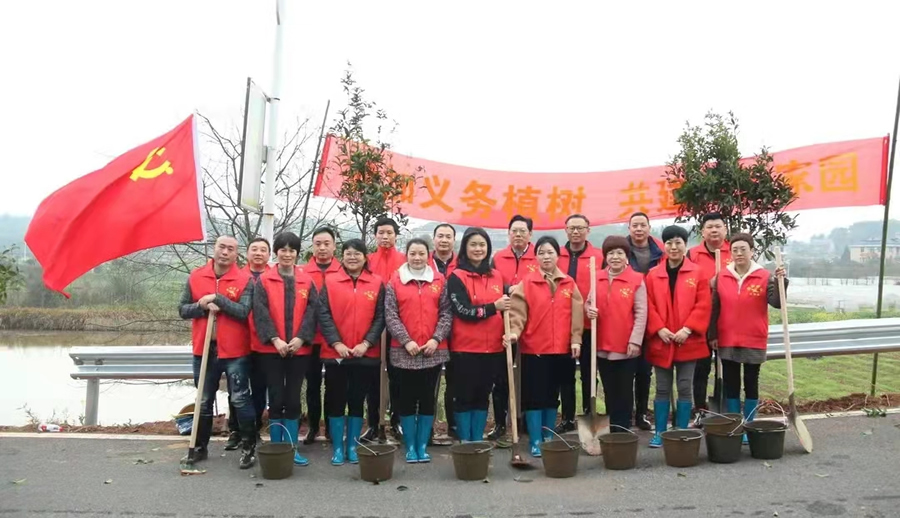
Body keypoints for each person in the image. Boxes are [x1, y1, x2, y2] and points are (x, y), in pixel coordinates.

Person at [178, 236, 257, 469]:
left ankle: (248, 447)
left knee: (240, 398)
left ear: (236, 254)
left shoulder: (245, 279)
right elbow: (182, 309)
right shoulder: (196, 276)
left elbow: (243, 311)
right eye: (221, 247)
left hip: (235, 351)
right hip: (204, 349)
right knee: (203, 400)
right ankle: (199, 447)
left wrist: (218, 299)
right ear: (214, 249)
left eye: (230, 249)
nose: (225, 252)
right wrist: (201, 306)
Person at [506, 236, 584, 457]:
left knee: (552, 395)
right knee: (534, 396)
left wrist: (576, 339)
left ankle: (548, 436)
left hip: (561, 349)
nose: (546, 256)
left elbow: (576, 314)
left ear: (558, 256)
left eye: (550, 252)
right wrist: (514, 332)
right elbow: (518, 313)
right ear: (536, 257)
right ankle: (535, 439)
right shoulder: (527, 283)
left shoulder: (569, 283)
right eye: (541, 253)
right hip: (534, 349)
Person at [708, 233, 788, 443]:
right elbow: (715, 307)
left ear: (752, 251)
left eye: (743, 249)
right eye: (735, 250)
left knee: (751, 381)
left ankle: (749, 423)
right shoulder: (722, 276)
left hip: (754, 337)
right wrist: (713, 334)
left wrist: (782, 282)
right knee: (731, 382)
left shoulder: (764, 276)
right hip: (727, 337)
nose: (739, 253)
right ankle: (736, 425)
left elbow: (777, 303)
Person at [317, 239, 386, 465]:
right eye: (348, 253)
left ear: (365, 257)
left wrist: (367, 343)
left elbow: (380, 317)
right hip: (336, 353)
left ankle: (353, 446)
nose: (353, 257)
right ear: (342, 256)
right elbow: (323, 314)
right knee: (336, 400)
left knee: (357, 400)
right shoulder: (330, 281)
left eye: (357, 254)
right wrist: (336, 343)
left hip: (365, 354)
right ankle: (338, 447)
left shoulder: (376, 283)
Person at [252, 232, 318, 466]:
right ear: (276, 252)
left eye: (292, 250)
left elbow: (313, 311)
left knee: (293, 399)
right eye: (283, 250)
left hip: (299, 351)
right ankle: (276, 446)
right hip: (272, 351)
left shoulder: (307, 281)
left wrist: (301, 338)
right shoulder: (265, 280)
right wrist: (275, 339)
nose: (287, 254)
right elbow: (260, 312)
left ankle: (292, 447)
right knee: (276, 397)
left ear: (297, 253)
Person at [385, 238, 452, 462]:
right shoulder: (395, 280)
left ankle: (422, 445)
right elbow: (391, 314)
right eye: (412, 253)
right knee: (406, 399)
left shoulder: (439, 280)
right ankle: (410, 446)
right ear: (406, 255)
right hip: (404, 351)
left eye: (421, 253)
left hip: (433, 351)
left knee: (427, 399)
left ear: (428, 255)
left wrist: (435, 339)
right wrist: (406, 340)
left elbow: (446, 313)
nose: (417, 257)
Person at [645, 225, 711, 448]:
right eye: (669, 243)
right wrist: (659, 328)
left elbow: (703, 304)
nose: (674, 247)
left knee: (684, 386)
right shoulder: (653, 274)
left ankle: (682, 431)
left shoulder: (697, 273)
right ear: (664, 246)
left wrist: (688, 329)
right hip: (662, 340)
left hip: (688, 341)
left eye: (678, 242)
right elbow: (648, 305)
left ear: (685, 245)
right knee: (662, 388)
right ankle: (660, 432)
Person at [447, 227, 510, 442]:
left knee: (483, 396)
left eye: (482, 245)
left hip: (493, 348)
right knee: (464, 396)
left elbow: (507, 305)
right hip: (465, 348)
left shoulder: (497, 276)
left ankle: (477, 440)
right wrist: (493, 307)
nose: (478, 249)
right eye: (473, 244)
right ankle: (466, 441)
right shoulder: (456, 276)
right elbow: (463, 311)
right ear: (465, 247)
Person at [588, 236, 647, 432]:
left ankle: (623, 429)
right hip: (602, 343)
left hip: (625, 344)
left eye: (619, 253)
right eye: (611, 253)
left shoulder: (636, 279)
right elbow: (588, 302)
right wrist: (589, 310)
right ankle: (613, 428)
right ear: (605, 256)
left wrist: (635, 341)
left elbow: (641, 313)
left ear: (626, 256)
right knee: (609, 389)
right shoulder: (597, 277)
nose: (615, 257)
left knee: (624, 390)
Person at [487, 215, 537, 439]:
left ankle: (525, 419)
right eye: (514, 231)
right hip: (503, 323)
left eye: (522, 231)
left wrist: (523, 287)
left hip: (532, 323)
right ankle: (500, 422)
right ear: (508, 233)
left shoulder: (539, 256)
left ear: (530, 234)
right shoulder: (498, 257)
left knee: (529, 374)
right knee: (502, 375)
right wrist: (508, 288)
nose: (518, 235)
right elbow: (491, 284)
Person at [555, 213, 601, 433]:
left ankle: (589, 414)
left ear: (588, 230)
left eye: (580, 228)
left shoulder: (598, 257)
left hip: (590, 326)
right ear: (565, 230)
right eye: (571, 228)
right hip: (563, 326)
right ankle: (567, 417)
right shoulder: (556, 255)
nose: (575, 232)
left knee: (589, 373)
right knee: (565, 375)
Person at [224, 237, 270, 451]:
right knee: (236, 389)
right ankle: (236, 430)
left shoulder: (274, 277)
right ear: (247, 253)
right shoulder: (236, 276)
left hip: (264, 343)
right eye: (254, 249)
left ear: (269, 254)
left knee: (260, 388)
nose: (258, 253)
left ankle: (254, 429)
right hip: (238, 342)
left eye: (263, 250)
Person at [364, 217, 406, 442]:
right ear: (375, 235)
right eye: (381, 232)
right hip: (373, 327)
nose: (385, 236)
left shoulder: (405, 260)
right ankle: (373, 422)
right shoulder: (368, 260)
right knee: (373, 377)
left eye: (389, 232)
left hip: (399, 327)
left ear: (396, 235)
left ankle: (396, 421)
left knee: (397, 376)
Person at [687, 212, 731, 419]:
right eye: (710, 227)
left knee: (729, 368)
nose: (714, 230)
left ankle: (728, 410)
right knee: (701, 368)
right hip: (702, 320)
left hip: (729, 319)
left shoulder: (735, 251)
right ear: (702, 232)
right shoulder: (692, 255)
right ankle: (700, 409)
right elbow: (686, 285)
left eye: (718, 226)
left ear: (725, 229)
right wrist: (709, 284)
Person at [624, 212, 666, 430]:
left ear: (649, 227)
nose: (639, 229)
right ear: (629, 228)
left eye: (642, 225)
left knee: (644, 370)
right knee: (626, 370)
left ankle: (641, 413)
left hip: (652, 315)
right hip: (625, 316)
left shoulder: (660, 252)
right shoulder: (620, 250)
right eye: (635, 225)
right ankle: (624, 415)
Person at [302, 227, 342, 444]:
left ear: (334, 246)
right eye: (318, 244)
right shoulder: (302, 273)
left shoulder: (343, 271)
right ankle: (313, 427)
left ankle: (331, 428)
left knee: (334, 386)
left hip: (335, 340)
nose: (322, 248)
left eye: (327, 244)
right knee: (313, 385)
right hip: (310, 339)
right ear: (312, 246)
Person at [431, 223, 458, 439]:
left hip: (458, 330)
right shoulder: (422, 261)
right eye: (440, 236)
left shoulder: (462, 264)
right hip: (429, 333)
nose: (444, 240)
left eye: (448, 236)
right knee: (428, 383)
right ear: (434, 239)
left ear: (454, 240)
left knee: (455, 381)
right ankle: (427, 428)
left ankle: (453, 426)